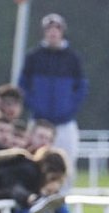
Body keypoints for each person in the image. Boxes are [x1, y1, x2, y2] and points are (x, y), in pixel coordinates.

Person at [18, 13, 88, 188]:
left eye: (56, 29)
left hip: (64, 122)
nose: (53, 33)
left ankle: (63, 205)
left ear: (62, 32)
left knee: (66, 163)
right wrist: (34, 107)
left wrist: (69, 109)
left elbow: (81, 88)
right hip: (39, 121)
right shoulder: (33, 57)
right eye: (49, 29)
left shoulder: (72, 58)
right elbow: (23, 86)